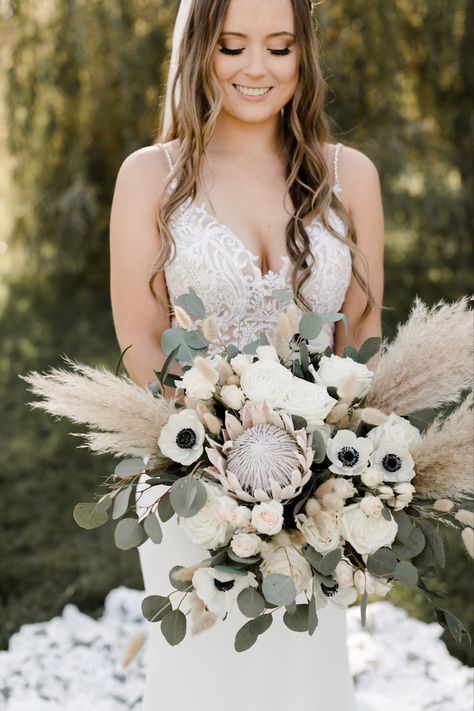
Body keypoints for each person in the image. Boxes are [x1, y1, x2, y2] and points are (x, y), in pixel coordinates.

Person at [109, 1, 384, 709]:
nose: (256, 69)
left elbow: (359, 335)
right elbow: (141, 339)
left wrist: (329, 467)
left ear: (304, 55)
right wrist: (224, 456)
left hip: (317, 492)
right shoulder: (150, 177)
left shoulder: (350, 176)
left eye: (279, 47)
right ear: (199, 49)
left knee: (304, 678)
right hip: (193, 481)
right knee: (204, 678)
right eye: (232, 46)